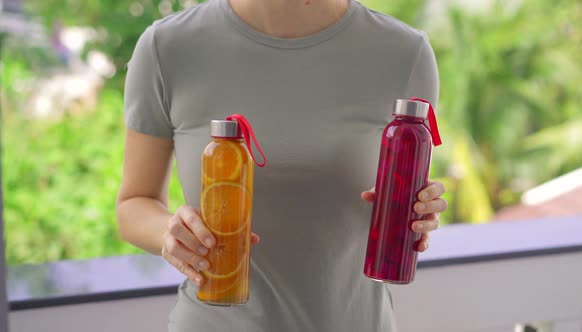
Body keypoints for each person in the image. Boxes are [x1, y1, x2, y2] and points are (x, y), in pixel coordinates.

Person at [116, 0, 448, 331]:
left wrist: (417, 210)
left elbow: (404, 197)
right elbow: (133, 205)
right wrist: (172, 235)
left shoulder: (404, 53)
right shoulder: (167, 46)